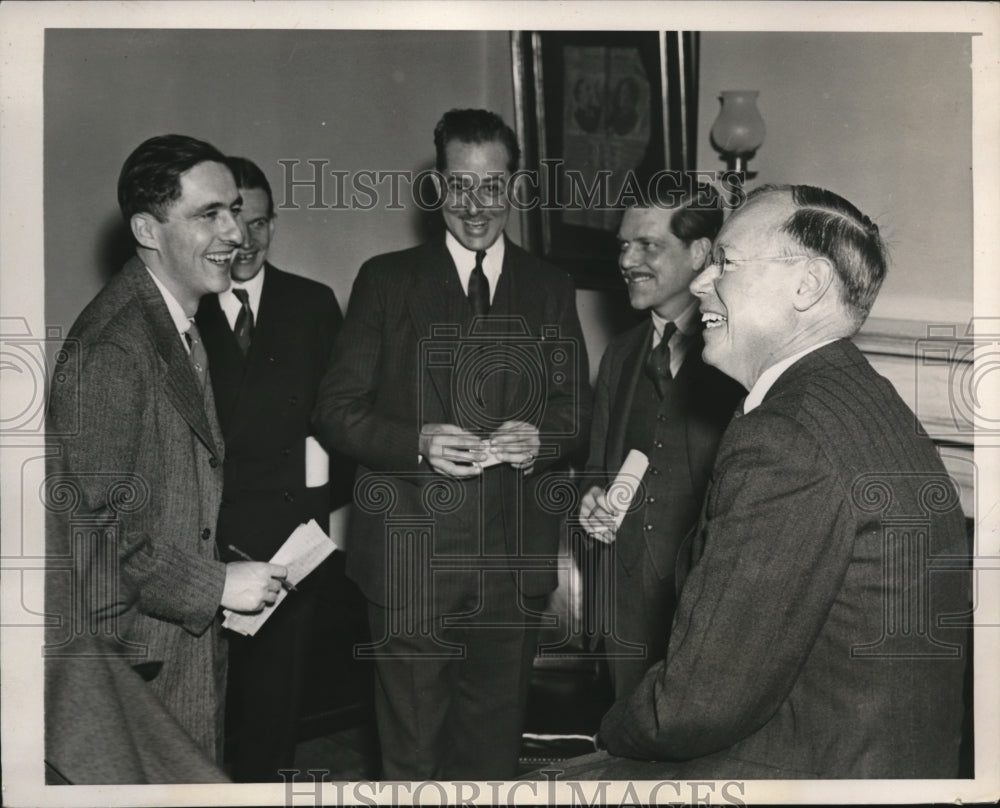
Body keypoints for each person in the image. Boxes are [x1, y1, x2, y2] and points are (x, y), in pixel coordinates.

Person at [540, 184, 971, 779]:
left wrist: (609, 731)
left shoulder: (786, 437)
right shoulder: (855, 393)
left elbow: (698, 704)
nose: (699, 284)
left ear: (808, 284)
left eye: (726, 263)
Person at [312, 108, 591, 780]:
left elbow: (576, 412)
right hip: (411, 569)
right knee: (413, 760)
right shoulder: (386, 281)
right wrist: (416, 443)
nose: (476, 206)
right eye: (460, 186)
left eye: (492, 186)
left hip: (510, 574)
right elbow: (335, 413)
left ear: (516, 189)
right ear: (437, 187)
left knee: (491, 760)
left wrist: (542, 438)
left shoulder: (549, 287)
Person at [45, 134, 287, 782]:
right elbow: (92, 535)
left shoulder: (175, 321)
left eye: (235, 210)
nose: (235, 232)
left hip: (176, 646)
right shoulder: (115, 348)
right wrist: (216, 586)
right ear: (148, 229)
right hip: (137, 664)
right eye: (210, 214)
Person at [195, 156, 350, 781]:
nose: (248, 241)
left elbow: (344, 422)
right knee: (200, 712)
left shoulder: (311, 304)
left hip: (291, 547)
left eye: (261, 224)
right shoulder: (189, 306)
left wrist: (318, 522)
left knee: (272, 717)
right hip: (207, 547)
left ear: (273, 226)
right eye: (236, 222)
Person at [577, 183, 743, 699]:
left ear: (699, 253)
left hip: (706, 609)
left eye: (647, 245)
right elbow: (595, 466)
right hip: (625, 610)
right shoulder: (621, 355)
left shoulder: (739, 353)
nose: (627, 259)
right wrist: (589, 500)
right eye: (623, 245)